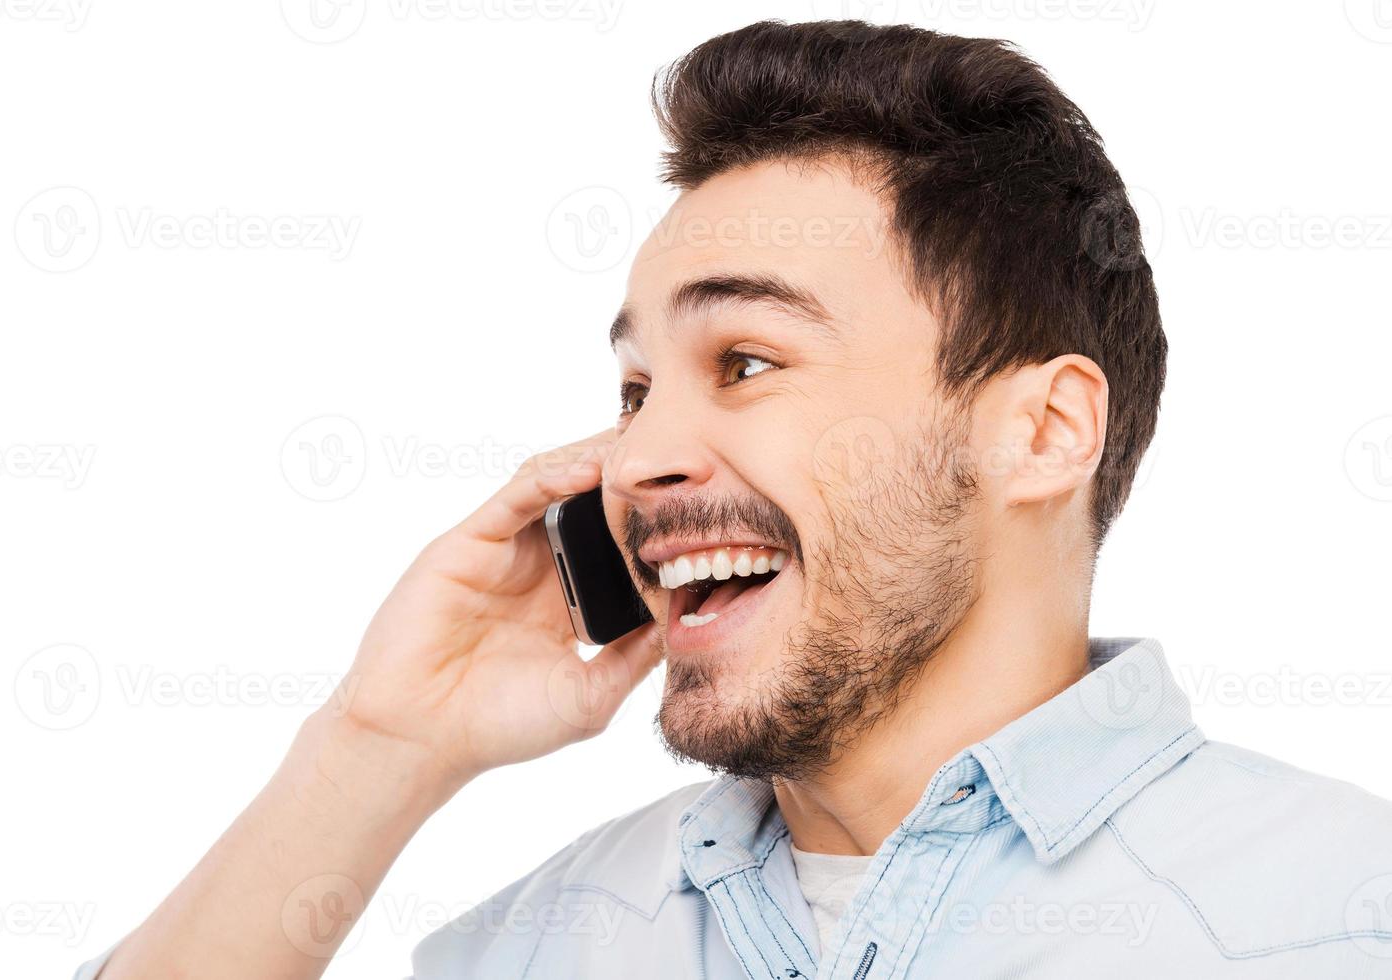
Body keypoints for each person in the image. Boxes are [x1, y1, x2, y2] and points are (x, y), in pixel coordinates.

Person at [76, 19, 1392, 979]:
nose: (634, 458)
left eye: (744, 361)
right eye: (636, 386)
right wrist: (376, 750)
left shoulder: (1343, 914)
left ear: (1039, 432)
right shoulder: (523, 952)